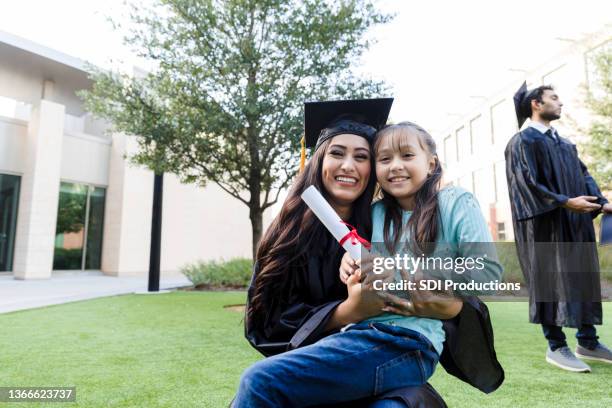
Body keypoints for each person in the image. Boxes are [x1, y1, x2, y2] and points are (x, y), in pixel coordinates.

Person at [237, 98, 448, 407]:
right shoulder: (288, 235)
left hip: (375, 367)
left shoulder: (387, 228)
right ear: (319, 160)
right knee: (260, 382)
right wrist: (350, 311)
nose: (348, 165)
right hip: (313, 372)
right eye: (337, 153)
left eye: (361, 156)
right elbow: (266, 327)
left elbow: (450, 303)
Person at [505, 82, 612, 372]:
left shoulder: (565, 144)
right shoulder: (522, 142)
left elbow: (583, 174)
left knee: (583, 277)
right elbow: (524, 183)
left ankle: (587, 341)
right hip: (544, 226)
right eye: (554, 98)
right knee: (549, 280)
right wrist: (565, 201)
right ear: (536, 104)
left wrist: (601, 202)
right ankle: (556, 345)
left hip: (574, 224)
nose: (561, 102)